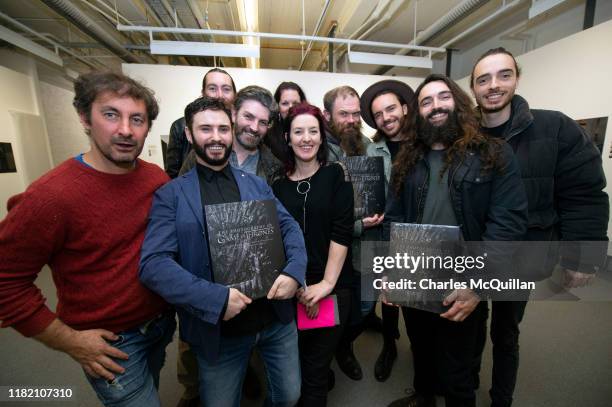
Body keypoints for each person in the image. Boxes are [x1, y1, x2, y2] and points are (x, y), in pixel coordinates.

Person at [0, 71, 175, 406]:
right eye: (111, 114)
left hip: (161, 324)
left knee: (152, 385)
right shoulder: (50, 197)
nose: (125, 130)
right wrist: (68, 341)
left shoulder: (155, 178)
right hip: (111, 344)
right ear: (84, 117)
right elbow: (6, 281)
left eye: (136, 119)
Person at [140, 97, 307, 407]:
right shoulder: (171, 195)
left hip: (274, 320)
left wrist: (294, 271)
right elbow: (154, 265)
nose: (216, 137)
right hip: (219, 331)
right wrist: (215, 300)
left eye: (222, 129)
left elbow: (290, 229)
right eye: (205, 129)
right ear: (189, 135)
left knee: (288, 395)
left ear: (231, 132)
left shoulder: (257, 184)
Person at [470, 47, 609, 407]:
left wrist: (583, 255)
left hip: (521, 254)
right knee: (468, 325)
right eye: (483, 79)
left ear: (517, 78)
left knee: (505, 331)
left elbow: (584, 193)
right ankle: (464, 388)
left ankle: (501, 398)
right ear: (473, 88)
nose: (493, 86)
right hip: (471, 251)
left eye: (503, 75)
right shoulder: (464, 133)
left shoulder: (554, 127)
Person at [384, 74, 528, 407]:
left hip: (463, 281)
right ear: (418, 113)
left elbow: (506, 225)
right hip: (415, 278)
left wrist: (478, 285)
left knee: (457, 373)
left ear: (459, 102)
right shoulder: (406, 158)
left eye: (443, 97)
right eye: (426, 101)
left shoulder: (493, 153)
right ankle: (423, 397)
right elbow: (392, 218)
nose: (436, 106)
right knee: (420, 353)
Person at [272, 102, 354, 406]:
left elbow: (341, 233)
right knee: (295, 364)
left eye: (313, 131)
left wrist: (326, 285)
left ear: (321, 137)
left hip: (331, 287)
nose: (306, 138)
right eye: (298, 132)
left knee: (317, 370)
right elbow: (276, 240)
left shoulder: (336, 175)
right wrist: (294, 283)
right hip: (291, 288)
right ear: (288, 138)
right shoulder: (276, 185)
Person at [322, 85, 380, 381]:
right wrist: (358, 225)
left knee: (367, 307)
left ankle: (345, 345)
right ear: (327, 115)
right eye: (343, 114)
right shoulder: (317, 151)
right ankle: (337, 351)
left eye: (356, 113)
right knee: (336, 309)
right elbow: (322, 212)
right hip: (334, 250)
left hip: (369, 248)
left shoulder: (369, 146)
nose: (352, 120)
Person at [359, 79, 415, 382]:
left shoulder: (424, 142)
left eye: (391, 108)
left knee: (418, 298)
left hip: (416, 233)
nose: (386, 117)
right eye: (379, 114)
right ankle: (390, 344)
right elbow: (366, 190)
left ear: (405, 108)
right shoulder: (372, 148)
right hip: (381, 232)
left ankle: (420, 347)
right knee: (388, 295)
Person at [180, 85, 283, 184]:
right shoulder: (200, 154)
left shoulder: (274, 166)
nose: (254, 128)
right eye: (248, 117)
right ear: (234, 114)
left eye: (262, 122)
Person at [165, 67, 236, 179]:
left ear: (234, 95)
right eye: (212, 88)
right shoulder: (180, 127)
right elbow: (172, 175)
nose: (219, 95)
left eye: (226, 89)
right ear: (203, 93)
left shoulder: (243, 127)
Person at [266, 81, 307, 162]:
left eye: (295, 103)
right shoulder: (267, 136)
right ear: (277, 106)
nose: (291, 108)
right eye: (285, 103)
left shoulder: (314, 131)